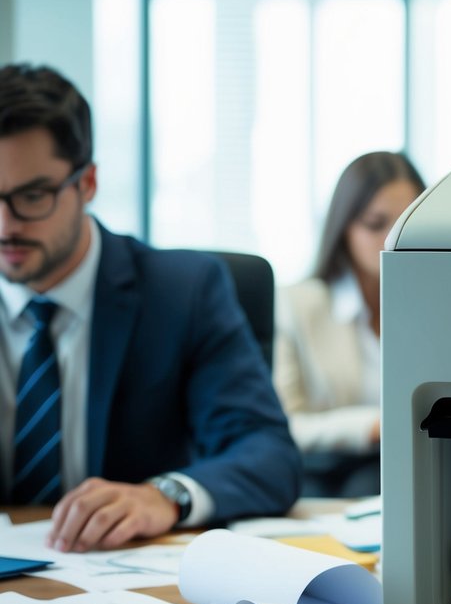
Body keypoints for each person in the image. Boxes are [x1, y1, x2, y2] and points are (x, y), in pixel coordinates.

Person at [0, 63, 301, 551]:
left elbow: (267, 455)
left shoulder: (182, 291)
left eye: (32, 196)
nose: (5, 225)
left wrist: (164, 495)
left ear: (87, 183)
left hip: (124, 583)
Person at [273, 151, 424, 497]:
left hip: (414, 469)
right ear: (344, 229)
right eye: (375, 224)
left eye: (406, 223)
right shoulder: (297, 305)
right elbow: (284, 425)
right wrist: (374, 426)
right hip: (326, 475)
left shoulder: (441, 308)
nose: (392, 239)